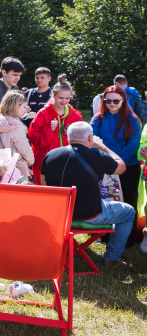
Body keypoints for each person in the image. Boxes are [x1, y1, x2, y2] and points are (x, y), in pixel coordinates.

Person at [42, 122, 134, 267]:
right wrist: (102, 146)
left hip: (60, 215)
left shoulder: (50, 155)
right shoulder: (98, 155)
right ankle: (111, 259)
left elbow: (45, 187)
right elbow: (121, 167)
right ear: (90, 137)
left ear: (67, 137)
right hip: (90, 215)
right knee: (128, 211)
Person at [91, 85, 142, 240]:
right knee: (104, 202)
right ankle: (104, 236)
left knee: (128, 202)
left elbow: (132, 145)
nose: (111, 104)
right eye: (107, 100)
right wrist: (107, 164)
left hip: (128, 168)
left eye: (116, 101)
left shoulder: (132, 120)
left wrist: (117, 164)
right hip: (103, 167)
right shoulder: (97, 119)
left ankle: (127, 238)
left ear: (123, 100)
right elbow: (93, 141)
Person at [29, 80, 83, 185]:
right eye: (61, 98)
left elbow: (82, 141)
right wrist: (50, 130)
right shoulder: (43, 114)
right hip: (45, 163)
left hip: (68, 162)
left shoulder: (75, 116)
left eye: (67, 98)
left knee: (65, 192)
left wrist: (71, 134)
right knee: (45, 194)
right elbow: (35, 139)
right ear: (53, 95)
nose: (64, 102)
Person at [0, 90, 35, 179]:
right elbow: (24, 148)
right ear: (15, 107)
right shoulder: (17, 126)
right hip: (18, 169)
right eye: (24, 107)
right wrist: (31, 161)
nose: (25, 110)